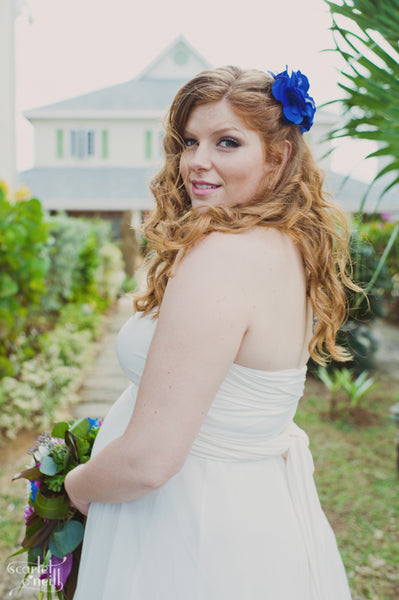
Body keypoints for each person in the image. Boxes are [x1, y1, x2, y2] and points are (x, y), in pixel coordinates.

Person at [65, 65, 358, 599]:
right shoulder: (285, 243)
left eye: (227, 142)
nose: (197, 162)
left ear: (279, 155)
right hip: (252, 511)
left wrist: (72, 487)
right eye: (190, 142)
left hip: (187, 529)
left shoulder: (223, 256)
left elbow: (150, 460)